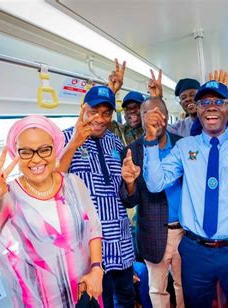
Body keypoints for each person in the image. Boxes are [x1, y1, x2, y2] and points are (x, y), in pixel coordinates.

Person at [142, 80, 228, 307]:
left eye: (218, 101)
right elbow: (156, 184)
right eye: (204, 102)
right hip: (196, 251)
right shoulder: (185, 147)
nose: (211, 106)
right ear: (197, 109)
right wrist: (151, 140)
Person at [0, 115, 103, 307]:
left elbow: (93, 228)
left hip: (85, 293)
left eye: (44, 150)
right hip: (39, 302)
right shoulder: (5, 198)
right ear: (15, 154)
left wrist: (97, 268)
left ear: (55, 148)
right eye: (26, 152)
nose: (36, 159)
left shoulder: (74, 183)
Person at [59, 85, 135, 308]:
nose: (100, 119)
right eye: (93, 111)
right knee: (101, 303)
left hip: (121, 241)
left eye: (106, 113)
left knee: (127, 298)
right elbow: (55, 182)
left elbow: (126, 195)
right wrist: (74, 143)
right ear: (83, 109)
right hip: (90, 246)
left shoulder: (115, 142)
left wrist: (130, 183)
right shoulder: (64, 139)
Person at [120, 96, 184, 308]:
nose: (155, 118)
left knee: (184, 285)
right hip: (153, 232)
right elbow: (130, 201)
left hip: (185, 231)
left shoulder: (182, 146)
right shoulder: (131, 151)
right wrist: (130, 183)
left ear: (166, 117)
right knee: (157, 289)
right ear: (141, 118)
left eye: (159, 112)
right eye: (148, 114)